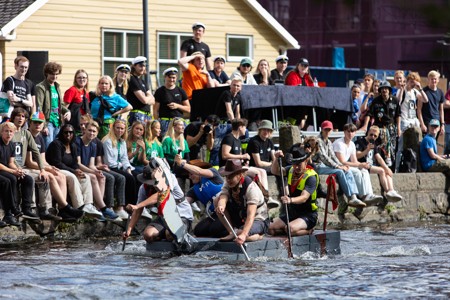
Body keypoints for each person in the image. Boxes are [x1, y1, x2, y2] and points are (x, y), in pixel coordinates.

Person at [27, 112, 84, 221]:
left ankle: (63, 210)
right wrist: (47, 168)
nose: (37, 125)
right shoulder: (28, 136)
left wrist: (51, 168)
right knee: (51, 176)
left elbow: (43, 160)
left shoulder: (39, 138)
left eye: (40, 123)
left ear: (43, 125)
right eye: (35, 122)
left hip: (39, 166)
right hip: (30, 167)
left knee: (60, 175)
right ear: (30, 123)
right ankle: (62, 207)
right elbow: (29, 162)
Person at [124, 158, 194, 243]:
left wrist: (138, 205)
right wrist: (129, 230)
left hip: (181, 214)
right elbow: (138, 210)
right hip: (164, 217)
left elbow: (159, 195)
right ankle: (165, 237)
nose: (147, 183)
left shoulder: (170, 178)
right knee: (148, 235)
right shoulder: (143, 188)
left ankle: (177, 234)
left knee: (170, 234)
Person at [46, 124, 103, 218]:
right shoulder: (56, 144)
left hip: (69, 169)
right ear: (61, 133)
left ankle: (88, 204)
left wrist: (76, 169)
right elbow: (57, 163)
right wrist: (74, 171)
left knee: (85, 176)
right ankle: (79, 206)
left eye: (71, 132)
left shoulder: (73, 146)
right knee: (72, 177)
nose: (68, 134)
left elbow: (75, 163)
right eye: (66, 132)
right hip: (56, 169)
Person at [312, 120, 366, 208]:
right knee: (340, 171)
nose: (328, 132)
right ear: (322, 129)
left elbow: (333, 156)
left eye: (329, 130)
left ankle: (354, 196)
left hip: (324, 166)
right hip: (317, 165)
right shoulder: (317, 140)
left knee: (347, 170)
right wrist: (338, 166)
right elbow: (323, 157)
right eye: (326, 129)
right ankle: (349, 196)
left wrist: (342, 166)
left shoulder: (328, 142)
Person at [215, 159, 269, 245]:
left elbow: (251, 214)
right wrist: (222, 205)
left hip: (258, 218)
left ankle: (259, 235)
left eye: (231, 176)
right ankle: (231, 232)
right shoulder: (228, 183)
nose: (228, 179)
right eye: (227, 176)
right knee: (217, 200)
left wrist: (243, 234)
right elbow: (223, 195)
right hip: (241, 215)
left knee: (242, 235)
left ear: (240, 175)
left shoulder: (251, 188)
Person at [75, 121, 120, 220]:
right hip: (77, 169)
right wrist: (93, 172)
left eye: (94, 132)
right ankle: (103, 208)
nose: (91, 133)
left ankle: (98, 208)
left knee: (102, 177)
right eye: (89, 130)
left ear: (97, 133)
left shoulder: (93, 145)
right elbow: (78, 164)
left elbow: (91, 165)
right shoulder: (77, 141)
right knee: (94, 177)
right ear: (85, 130)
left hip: (87, 169)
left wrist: (97, 171)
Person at [269, 146, 318, 236]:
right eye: (294, 164)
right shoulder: (290, 170)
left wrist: (290, 200)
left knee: (289, 229)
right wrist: (276, 159)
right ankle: (289, 230)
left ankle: (308, 230)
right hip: (293, 213)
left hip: (308, 215)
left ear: (306, 161)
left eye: (299, 164)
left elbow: (304, 198)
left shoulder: (311, 177)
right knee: (271, 228)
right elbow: (275, 171)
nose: (296, 167)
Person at [10, 108, 50, 217]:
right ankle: (29, 208)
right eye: (18, 115)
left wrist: (42, 169)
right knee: (28, 178)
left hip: (21, 167)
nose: (20, 118)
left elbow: (36, 152)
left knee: (44, 177)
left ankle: (45, 209)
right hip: (11, 167)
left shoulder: (26, 133)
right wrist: (15, 168)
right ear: (13, 117)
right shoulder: (7, 131)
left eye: (23, 116)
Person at [174, 157, 227, 238]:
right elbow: (184, 203)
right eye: (188, 174)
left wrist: (182, 163)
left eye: (191, 173)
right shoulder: (193, 190)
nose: (189, 177)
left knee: (215, 228)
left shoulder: (213, 173)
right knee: (198, 230)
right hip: (215, 214)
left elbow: (200, 171)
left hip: (226, 210)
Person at [333, 123, 384, 205]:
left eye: (352, 132)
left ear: (355, 133)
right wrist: (359, 165)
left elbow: (354, 161)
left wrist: (362, 164)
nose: (350, 134)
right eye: (348, 132)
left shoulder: (352, 144)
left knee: (364, 170)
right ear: (344, 132)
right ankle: (363, 196)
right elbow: (341, 162)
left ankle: (369, 195)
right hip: (338, 166)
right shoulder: (339, 143)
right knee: (357, 172)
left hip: (345, 165)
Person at [0, 122, 38, 226]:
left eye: (11, 131)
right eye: (6, 131)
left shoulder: (11, 145)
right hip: (2, 170)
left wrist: (18, 170)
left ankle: (26, 208)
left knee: (27, 178)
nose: (8, 134)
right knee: (9, 180)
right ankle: (11, 210)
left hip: (6, 169)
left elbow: (11, 162)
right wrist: (12, 171)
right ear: (1, 132)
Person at [355, 125, 403, 202]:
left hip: (371, 165)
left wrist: (387, 168)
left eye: (375, 136)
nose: (372, 137)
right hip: (363, 165)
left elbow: (379, 158)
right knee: (381, 170)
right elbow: (357, 155)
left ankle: (391, 190)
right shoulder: (360, 141)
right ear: (367, 133)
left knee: (386, 171)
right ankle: (388, 191)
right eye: (371, 134)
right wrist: (366, 150)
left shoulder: (374, 144)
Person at [361, 81, 401, 167]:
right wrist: (365, 126)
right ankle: (382, 161)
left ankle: (391, 165)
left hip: (391, 127)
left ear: (389, 90)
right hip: (379, 128)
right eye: (382, 89)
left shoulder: (395, 100)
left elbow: (398, 115)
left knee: (393, 148)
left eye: (386, 88)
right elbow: (369, 114)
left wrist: (399, 128)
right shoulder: (376, 101)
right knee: (379, 146)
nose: (384, 90)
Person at [394, 72, 427, 171]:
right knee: (400, 146)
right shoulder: (402, 91)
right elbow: (398, 102)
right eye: (411, 82)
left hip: (413, 120)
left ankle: (415, 167)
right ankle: (396, 168)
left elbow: (425, 100)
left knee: (417, 145)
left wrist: (420, 87)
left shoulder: (415, 92)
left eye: (415, 83)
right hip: (404, 121)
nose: (413, 84)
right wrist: (402, 89)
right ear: (407, 81)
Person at [35, 62, 71, 148]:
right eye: (52, 74)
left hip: (57, 122)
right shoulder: (40, 87)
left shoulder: (57, 86)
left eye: (56, 74)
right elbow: (38, 107)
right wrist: (43, 125)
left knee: (55, 148)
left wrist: (68, 111)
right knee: (48, 147)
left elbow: (60, 105)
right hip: (48, 122)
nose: (54, 76)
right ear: (46, 73)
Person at [102, 118, 137, 205]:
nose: (120, 130)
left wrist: (128, 168)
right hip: (110, 167)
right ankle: (129, 204)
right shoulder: (108, 141)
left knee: (137, 176)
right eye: (118, 128)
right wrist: (122, 166)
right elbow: (109, 162)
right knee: (129, 178)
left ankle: (138, 204)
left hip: (119, 166)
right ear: (113, 128)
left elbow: (125, 158)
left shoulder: (122, 142)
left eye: (122, 128)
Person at [153, 67, 190, 136]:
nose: (172, 80)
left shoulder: (180, 91)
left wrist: (178, 106)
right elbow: (155, 110)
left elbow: (188, 109)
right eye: (170, 77)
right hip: (165, 122)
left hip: (178, 121)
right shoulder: (160, 91)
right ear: (165, 77)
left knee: (179, 142)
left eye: (174, 78)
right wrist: (157, 123)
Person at [284, 58, 313, 130]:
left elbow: (312, 90)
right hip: (293, 102)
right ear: (298, 66)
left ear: (308, 68)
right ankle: (301, 124)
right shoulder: (292, 74)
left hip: (306, 102)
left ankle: (309, 125)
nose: (303, 67)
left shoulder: (308, 77)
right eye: (302, 65)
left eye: (305, 66)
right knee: (302, 107)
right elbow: (292, 90)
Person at [126, 56, 154, 125]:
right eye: (140, 66)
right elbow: (143, 100)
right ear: (134, 66)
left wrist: (147, 98)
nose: (143, 68)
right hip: (137, 114)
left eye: (144, 66)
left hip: (147, 115)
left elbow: (153, 100)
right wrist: (147, 98)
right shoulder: (132, 79)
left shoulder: (143, 82)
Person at [418, 70, 445, 135]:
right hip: (427, 122)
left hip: (437, 122)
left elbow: (441, 110)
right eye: (432, 79)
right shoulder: (423, 91)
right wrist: (422, 124)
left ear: (438, 80)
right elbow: (419, 109)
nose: (433, 81)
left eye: (435, 79)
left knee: (434, 143)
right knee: (427, 142)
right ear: (428, 79)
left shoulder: (440, 92)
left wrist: (442, 125)